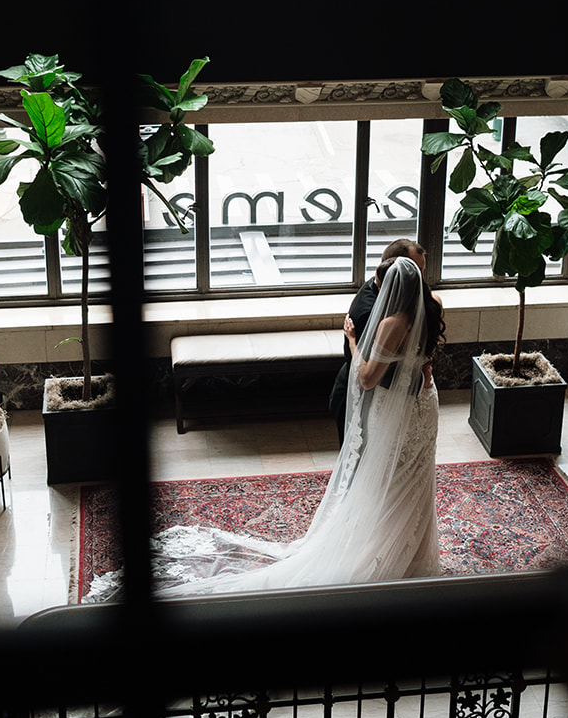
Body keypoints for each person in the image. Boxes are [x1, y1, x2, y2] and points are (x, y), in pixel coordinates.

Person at [88, 255, 445, 600]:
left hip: (399, 413)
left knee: (386, 480)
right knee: (415, 478)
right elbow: (424, 360)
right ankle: (413, 557)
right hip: (425, 405)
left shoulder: (390, 323)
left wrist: (353, 340)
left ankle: (385, 552)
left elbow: (367, 378)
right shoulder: (430, 309)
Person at [330, 239, 427, 442]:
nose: (419, 278)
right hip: (363, 397)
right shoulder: (373, 314)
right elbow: (369, 375)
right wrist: (352, 342)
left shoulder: (405, 298)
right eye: (414, 270)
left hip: (403, 397)